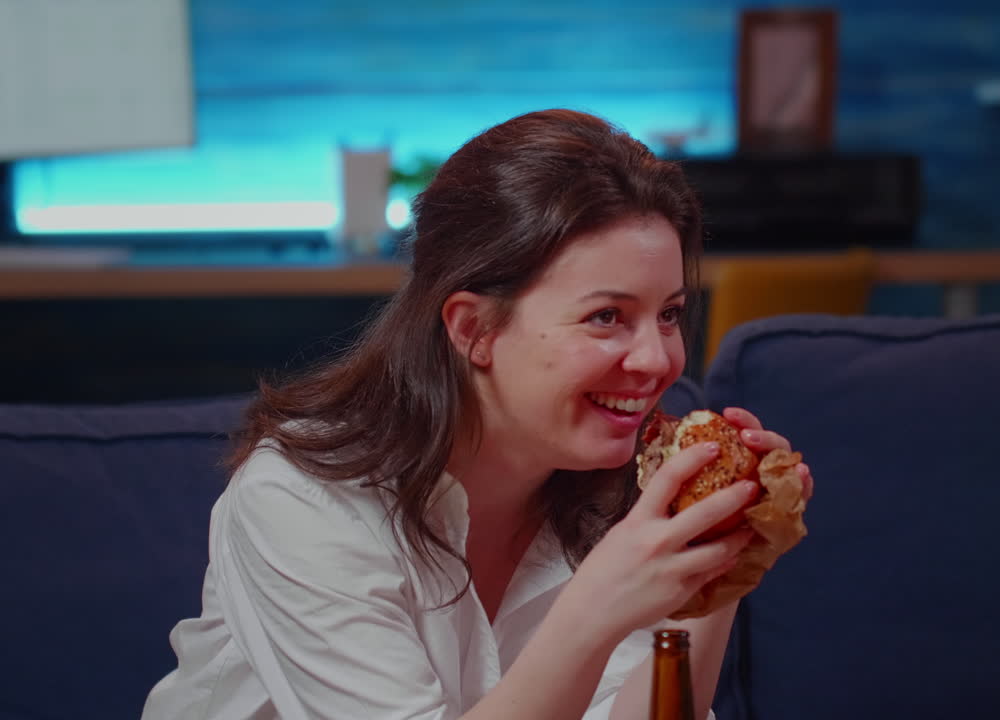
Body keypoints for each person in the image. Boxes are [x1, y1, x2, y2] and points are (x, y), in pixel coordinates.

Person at [142, 108, 813, 720]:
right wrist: (593, 611)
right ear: (474, 329)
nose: (656, 359)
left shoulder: (622, 496)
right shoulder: (301, 503)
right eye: (606, 317)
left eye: (668, 314)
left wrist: (718, 570)